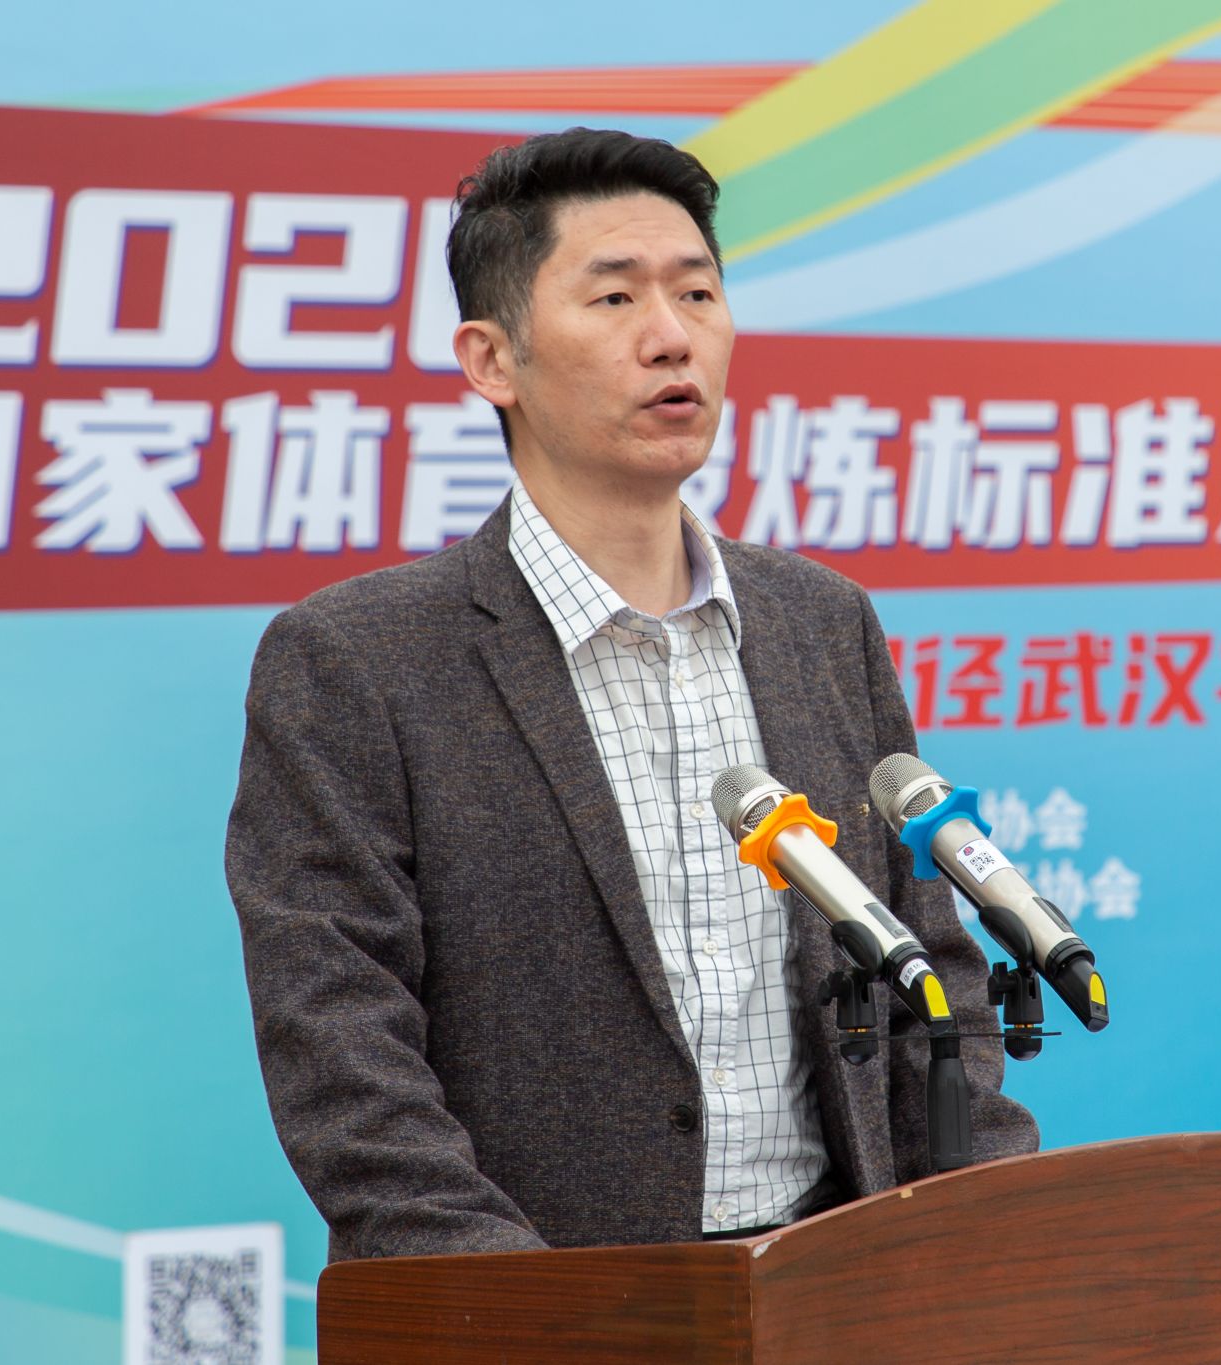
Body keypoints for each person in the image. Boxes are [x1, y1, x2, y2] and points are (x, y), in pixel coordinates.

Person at [226, 127, 1037, 1262]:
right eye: (614, 299)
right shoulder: (356, 659)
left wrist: (988, 1240)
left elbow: (926, 968)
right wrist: (531, 1309)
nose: (672, 336)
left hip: (828, 1281)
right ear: (491, 361)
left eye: (696, 293)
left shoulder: (819, 622)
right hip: (540, 1301)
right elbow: (339, 1041)